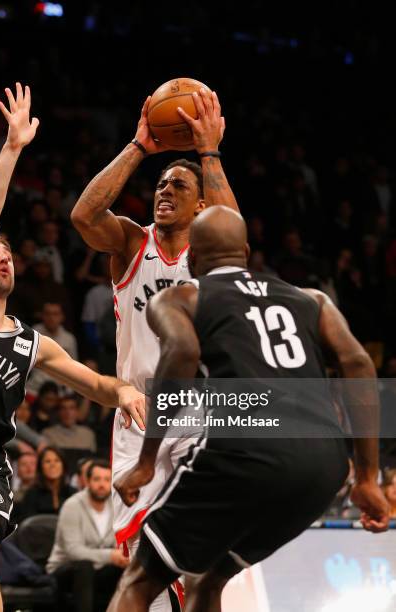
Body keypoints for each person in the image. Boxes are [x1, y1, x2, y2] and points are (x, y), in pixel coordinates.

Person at [0, 83, 144, 612]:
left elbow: (96, 385)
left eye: (8, 254)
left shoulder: (30, 343)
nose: (3, 257)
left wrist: (127, 392)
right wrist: (12, 148)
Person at [108, 206, 390, 612]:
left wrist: (147, 459)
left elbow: (182, 352)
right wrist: (367, 477)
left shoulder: (182, 296)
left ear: (191, 258)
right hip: (323, 467)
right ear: (244, 250)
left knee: (139, 579)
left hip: (244, 450)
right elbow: (359, 364)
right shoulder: (313, 300)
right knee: (208, 579)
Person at [71, 87, 239, 611]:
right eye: (162, 185)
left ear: (201, 203)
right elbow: (83, 215)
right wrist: (140, 146)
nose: (164, 191)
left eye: (179, 185)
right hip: (137, 417)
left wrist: (209, 153)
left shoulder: (211, 255)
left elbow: (234, 230)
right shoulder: (129, 242)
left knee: (192, 559)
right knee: (143, 559)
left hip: (197, 416)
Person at [47, 459, 128, 612]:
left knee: (128, 569)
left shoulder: (116, 506)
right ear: (87, 481)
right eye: (97, 479)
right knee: (84, 566)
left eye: (107, 479)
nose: (102, 485)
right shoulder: (73, 505)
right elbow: (73, 551)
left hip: (100, 568)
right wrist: (111, 555)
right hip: (66, 568)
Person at [14, 446, 76, 523]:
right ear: (41, 467)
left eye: (57, 460)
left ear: (63, 466)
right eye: (48, 461)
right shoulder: (32, 495)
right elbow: (27, 528)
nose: (53, 465)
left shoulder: (74, 494)